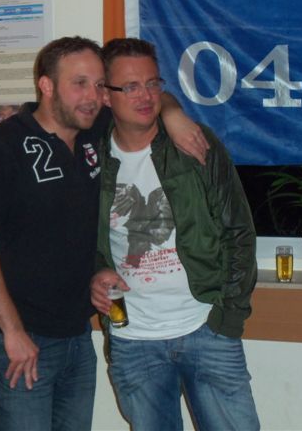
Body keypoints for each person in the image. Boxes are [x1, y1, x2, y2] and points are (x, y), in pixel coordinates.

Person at [0, 36, 208, 431]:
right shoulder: (1, 148)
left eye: (99, 84)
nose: (93, 96)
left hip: (76, 336)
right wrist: (12, 331)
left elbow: (151, 98)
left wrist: (174, 116)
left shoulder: (93, 131)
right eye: (79, 83)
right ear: (46, 85)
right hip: (19, 343)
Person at [91, 37, 260, 431]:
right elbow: (79, 238)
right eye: (130, 86)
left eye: (153, 83)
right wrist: (94, 271)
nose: (146, 95)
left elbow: (238, 231)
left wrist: (228, 319)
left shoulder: (193, 144)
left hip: (206, 328)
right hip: (132, 339)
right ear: (105, 95)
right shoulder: (91, 157)